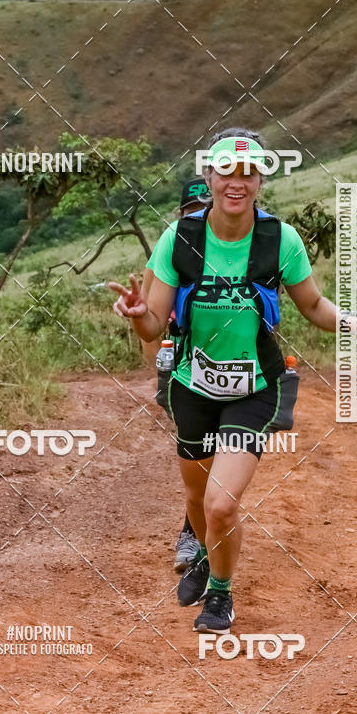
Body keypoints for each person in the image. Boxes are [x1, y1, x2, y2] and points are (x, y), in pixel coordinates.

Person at [109, 127, 357, 634]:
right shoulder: (179, 239)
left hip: (254, 388)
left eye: (248, 173)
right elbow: (155, 324)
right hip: (190, 385)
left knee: (221, 503)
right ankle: (202, 553)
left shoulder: (279, 240)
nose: (238, 182)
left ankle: (221, 596)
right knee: (196, 498)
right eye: (227, 171)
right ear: (210, 177)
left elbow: (311, 305)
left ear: (260, 181)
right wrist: (137, 314)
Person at [123, 178, 212, 573]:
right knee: (200, 458)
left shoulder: (241, 247)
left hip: (237, 370)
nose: (200, 218)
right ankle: (195, 533)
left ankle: (199, 536)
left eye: (204, 209)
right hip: (183, 364)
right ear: (181, 215)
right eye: (193, 212)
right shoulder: (170, 248)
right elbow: (149, 317)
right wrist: (158, 369)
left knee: (224, 455)